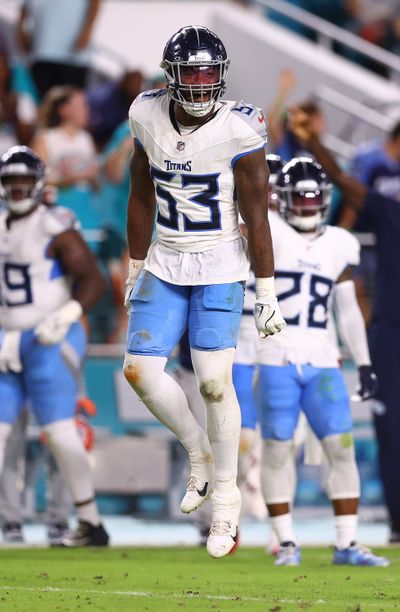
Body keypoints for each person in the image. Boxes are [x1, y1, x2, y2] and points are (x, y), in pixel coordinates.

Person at [122, 25, 285, 559]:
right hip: (166, 260)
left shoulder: (241, 128)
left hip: (219, 262)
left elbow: (257, 214)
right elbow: (140, 191)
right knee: (139, 371)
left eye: (207, 72)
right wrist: (134, 262)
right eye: (188, 72)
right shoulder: (145, 114)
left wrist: (266, 291)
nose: (198, 82)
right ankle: (200, 455)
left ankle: (228, 505)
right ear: (170, 75)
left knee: (215, 384)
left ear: (221, 75)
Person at [256, 156, 388, 567]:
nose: (309, 205)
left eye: (315, 197)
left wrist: (364, 362)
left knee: (341, 449)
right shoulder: (267, 230)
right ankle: (286, 542)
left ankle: (346, 543)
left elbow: (347, 310)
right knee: (277, 450)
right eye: (301, 197)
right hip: (275, 357)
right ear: (283, 198)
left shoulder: (338, 243)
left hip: (323, 361)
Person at [290, 107, 400, 545]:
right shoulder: (392, 212)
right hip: (391, 334)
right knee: (391, 430)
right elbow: (345, 185)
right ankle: (398, 523)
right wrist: (313, 144)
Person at [0, 145, 108, 547]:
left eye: (24, 181)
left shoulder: (54, 225)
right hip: (9, 341)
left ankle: (90, 521)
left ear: (40, 183)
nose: (17, 189)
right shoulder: (2, 226)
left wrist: (65, 315)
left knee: (62, 434)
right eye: (11, 182)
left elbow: (93, 280)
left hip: (51, 338)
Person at [31, 85, 100, 253]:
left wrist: (94, 178)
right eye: (81, 105)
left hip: (85, 206)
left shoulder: (86, 138)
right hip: (58, 204)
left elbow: (95, 181)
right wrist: (73, 178)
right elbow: (38, 180)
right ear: (64, 110)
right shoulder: (46, 138)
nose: (86, 110)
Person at [16, 0, 102, 98]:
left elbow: (96, 2)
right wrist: (20, 30)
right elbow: (24, 8)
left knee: (70, 105)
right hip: (40, 52)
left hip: (73, 56)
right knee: (43, 104)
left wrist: (87, 31)